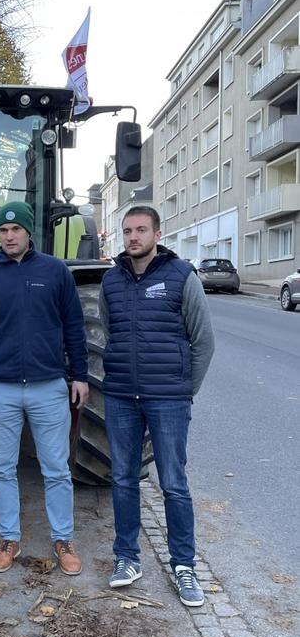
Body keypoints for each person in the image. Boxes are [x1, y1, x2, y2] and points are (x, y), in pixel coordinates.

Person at [0, 201, 89, 575]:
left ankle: (63, 540)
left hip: (48, 387)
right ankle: (8, 539)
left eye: (15, 230)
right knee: (2, 469)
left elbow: (74, 327)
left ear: (28, 232)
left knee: (56, 470)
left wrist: (79, 375)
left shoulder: (55, 272)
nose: (9, 236)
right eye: (3, 230)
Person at [99, 206, 214, 607]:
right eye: (127, 230)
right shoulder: (111, 280)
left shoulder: (181, 276)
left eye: (141, 230)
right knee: (123, 480)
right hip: (120, 398)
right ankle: (127, 557)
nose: (133, 237)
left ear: (157, 233)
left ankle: (184, 566)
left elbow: (202, 341)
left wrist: (184, 390)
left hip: (168, 398)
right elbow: (110, 331)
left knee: (174, 484)